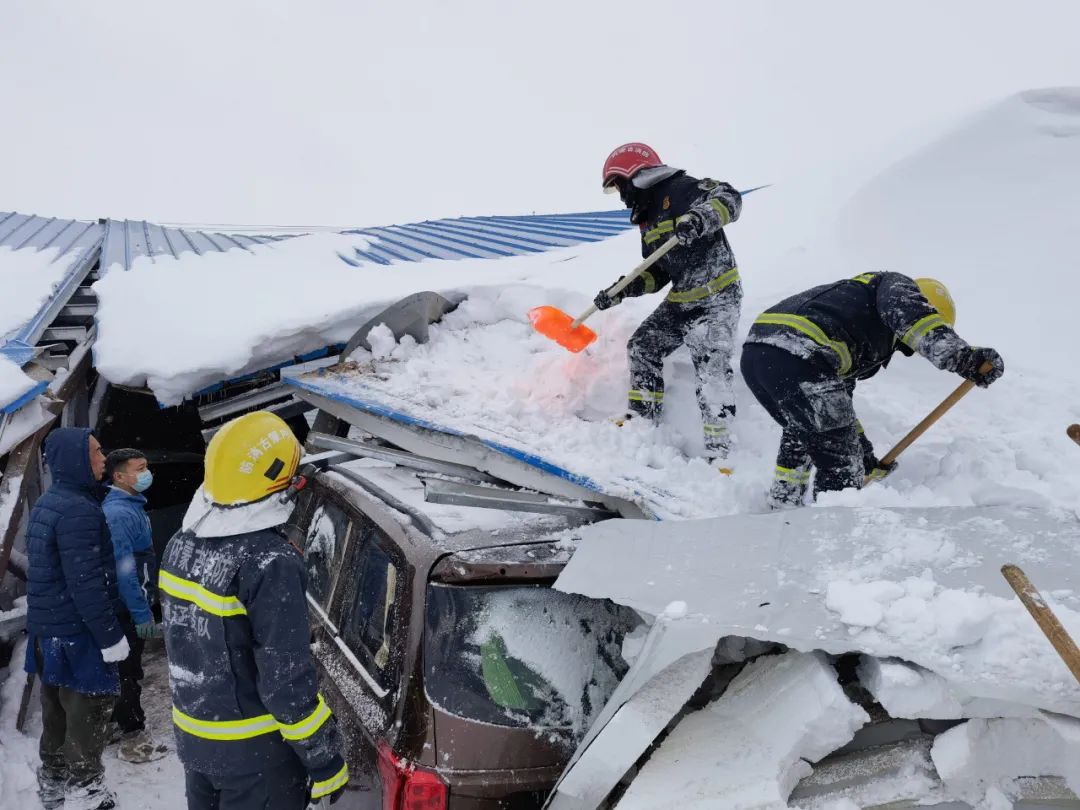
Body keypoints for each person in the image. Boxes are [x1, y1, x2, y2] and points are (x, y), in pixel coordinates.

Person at [161, 411, 348, 810]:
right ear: (282, 485)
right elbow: (285, 680)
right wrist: (325, 760)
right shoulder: (269, 561)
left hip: (198, 743)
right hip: (257, 758)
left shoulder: (181, 543)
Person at [741, 272, 1005, 508]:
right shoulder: (897, 287)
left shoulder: (852, 326)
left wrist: (865, 454)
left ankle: (783, 506)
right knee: (841, 464)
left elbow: (838, 407)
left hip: (760, 354)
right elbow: (915, 321)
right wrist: (963, 358)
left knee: (808, 431)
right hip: (800, 352)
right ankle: (830, 540)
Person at [593, 142, 743, 461]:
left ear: (637, 175)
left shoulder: (679, 189)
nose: (620, 194)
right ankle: (643, 421)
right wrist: (622, 289)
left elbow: (729, 198)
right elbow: (657, 272)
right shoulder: (647, 218)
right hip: (682, 300)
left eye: (620, 184)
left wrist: (699, 218)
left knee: (711, 369)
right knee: (643, 347)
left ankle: (721, 455)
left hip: (716, 297)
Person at [25, 428, 130, 810]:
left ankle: (52, 786)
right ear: (76, 459)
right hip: (76, 634)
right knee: (88, 711)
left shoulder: (50, 502)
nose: (105, 458)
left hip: (48, 631)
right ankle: (88, 793)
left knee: (55, 713)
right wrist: (110, 637)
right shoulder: (78, 512)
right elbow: (87, 584)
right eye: (98, 452)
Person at [102, 448, 168, 764]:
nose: (146, 473)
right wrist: (141, 613)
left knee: (126, 670)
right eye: (139, 469)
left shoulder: (130, 505)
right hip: (125, 608)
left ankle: (120, 723)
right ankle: (133, 737)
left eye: (146, 466)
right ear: (119, 476)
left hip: (129, 603)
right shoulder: (118, 514)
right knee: (128, 672)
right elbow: (124, 569)